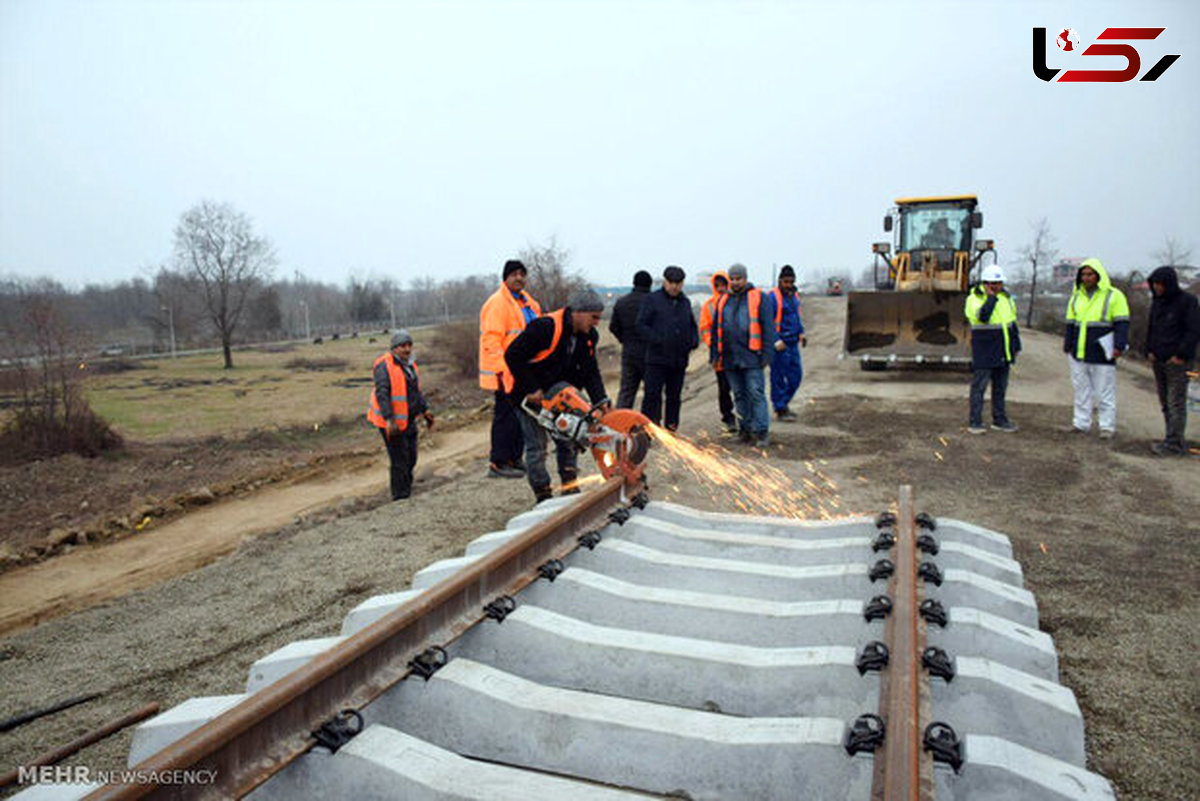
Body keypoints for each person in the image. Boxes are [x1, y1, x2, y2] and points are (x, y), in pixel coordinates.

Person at [504, 290, 611, 503]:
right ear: (578, 312)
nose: (597, 323)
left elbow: (590, 371)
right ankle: (543, 495)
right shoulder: (545, 328)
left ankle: (570, 488)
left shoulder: (589, 336)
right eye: (594, 317)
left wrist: (601, 401)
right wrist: (532, 388)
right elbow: (512, 355)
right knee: (537, 447)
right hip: (528, 397)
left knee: (569, 438)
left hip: (559, 393)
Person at [479, 259, 541, 478]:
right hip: (505, 371)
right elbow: (492, 340)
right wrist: (502, 370)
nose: (519, 278)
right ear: (505, 278)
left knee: (520, 416)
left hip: (523, 370)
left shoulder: (530, 304)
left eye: (522, 274)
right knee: (505, 416)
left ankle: (514, 458)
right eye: (514, 274)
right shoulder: (497, 303)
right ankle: (498, 462)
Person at [709, 263, 776, 448]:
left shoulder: (758, 297)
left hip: (752, 356)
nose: (735, 282)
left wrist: (767, 355)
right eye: (733, 279)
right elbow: (716, 330)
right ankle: (745, 429)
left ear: (745, 278)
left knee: (755, 393)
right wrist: (715, 354)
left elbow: (768, 328)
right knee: (738, 395)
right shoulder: (723, 301)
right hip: (730, 358)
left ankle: (761, 431)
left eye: (739, 278)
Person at [1064, 258, 1130, 439]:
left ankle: (1107, 426)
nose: (1086, 278)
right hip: (1078, 352)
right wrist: (1068, 345)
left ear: (1098, 275)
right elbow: (1070, 323)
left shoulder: (1114, 295)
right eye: (1084, 274)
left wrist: (1119, 346)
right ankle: (1080, 423)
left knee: (1104, 391)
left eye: (1090, 274)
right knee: (1081, 390)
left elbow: (1122, 323)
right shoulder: (1076, 296)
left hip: (1102, 352)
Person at [367, 330, 434, 500]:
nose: (407, 349)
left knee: (411, 457)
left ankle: (407, 490)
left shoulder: (411, 365)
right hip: (390, 422)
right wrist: (389, 420)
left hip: (408, 419)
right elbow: (382, 394)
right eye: (402, 346)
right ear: (394, 348)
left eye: (409, 345)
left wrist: (424, 410)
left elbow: (415, 392)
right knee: (399, 460)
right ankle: (400, 497)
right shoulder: (383, 366)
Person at [1144, 266, 1200, 456]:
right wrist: (1149, 350)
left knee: (1175, 401)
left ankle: (1174, 444)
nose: (1156, 287)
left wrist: (1181, 355)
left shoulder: (1188, 302)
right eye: (1154, 284)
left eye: (1159, 284)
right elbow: (1152, 327)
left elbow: (1193, 331)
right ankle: (1171, 437)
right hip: (1158, 359)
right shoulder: (1157, 302)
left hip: (1178, 361)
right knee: (1165, 401)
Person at [637, 265, 699, 431]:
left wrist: (693, 341)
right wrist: (657, 339)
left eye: (678, 283)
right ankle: (648, 428)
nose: (674, 286)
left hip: (678, 359)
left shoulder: (685, 302)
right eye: (671, 282)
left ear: (682, 284)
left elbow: (692, 326)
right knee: (652, 395)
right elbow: (641, 325)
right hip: (657, 359)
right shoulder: (652, 300)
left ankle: (671, 428)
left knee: (674, 396)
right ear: (665, 282)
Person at [964, 265, 1021, 434]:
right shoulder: (974, 299)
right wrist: (990, 299)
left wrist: (1016, 345)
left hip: (1003, 349)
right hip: (985, 349)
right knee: (979, 387)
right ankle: (975, 421)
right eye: (992, 283)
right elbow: (982, 317)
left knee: (1000, 388)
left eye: (998, 283)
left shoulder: (1007, 299)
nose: (996, 286)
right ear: (984, 283)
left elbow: (1012, 323)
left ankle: (1000, 419)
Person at [699, 271, 738, 433]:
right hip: (719, 355)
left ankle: (744, 416)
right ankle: (728, 417)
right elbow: (705, 328)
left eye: (724, 285)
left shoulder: (736, 301)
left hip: (736, 353)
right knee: (724, 389)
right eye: (718, 286)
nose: (721, 288)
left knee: (740, 387)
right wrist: (712, 344)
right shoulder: (709, 305)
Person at [609, 270, 653, 409]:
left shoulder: (622, 302)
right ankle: (651, 425)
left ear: (634, 283)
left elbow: (613, 327)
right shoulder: (654, 303)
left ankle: (619, 424)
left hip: (629, 352)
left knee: (627, 392)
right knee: (651, 393)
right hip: (651, 354)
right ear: (650, 284)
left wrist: (624, 340)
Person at [769, 264, 807, 422]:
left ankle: (782, 404)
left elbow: (796, 317)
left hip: (792, 343)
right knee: (778, 378)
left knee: (796, 376)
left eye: (791, 281)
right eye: (785, 282)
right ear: (779, 281)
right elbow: (766, 322)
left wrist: (802, 333)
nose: (788, 285)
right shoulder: (773, 297)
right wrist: (775, 340)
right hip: (780, 345)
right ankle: (780, 408)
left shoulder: (794, 297)